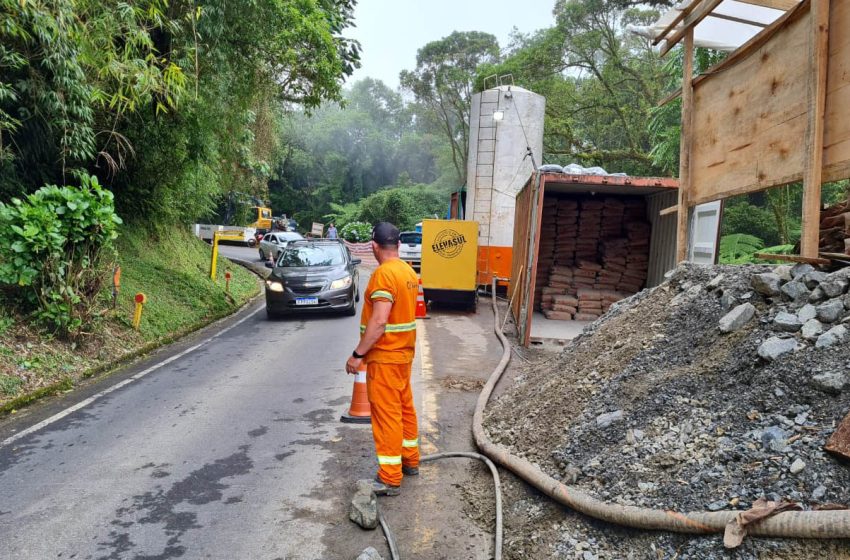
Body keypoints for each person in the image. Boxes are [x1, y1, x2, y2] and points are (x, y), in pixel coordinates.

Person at [345, 222, 420, 496]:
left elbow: (379, 322)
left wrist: (357, 355)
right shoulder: (408, 272)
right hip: (403, 356)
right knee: (404, 408)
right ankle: (410, 460)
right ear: (398, 244)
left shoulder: (383, 275)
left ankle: (389, 476)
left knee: (387, 414)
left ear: (374, 246)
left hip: (386, 357)